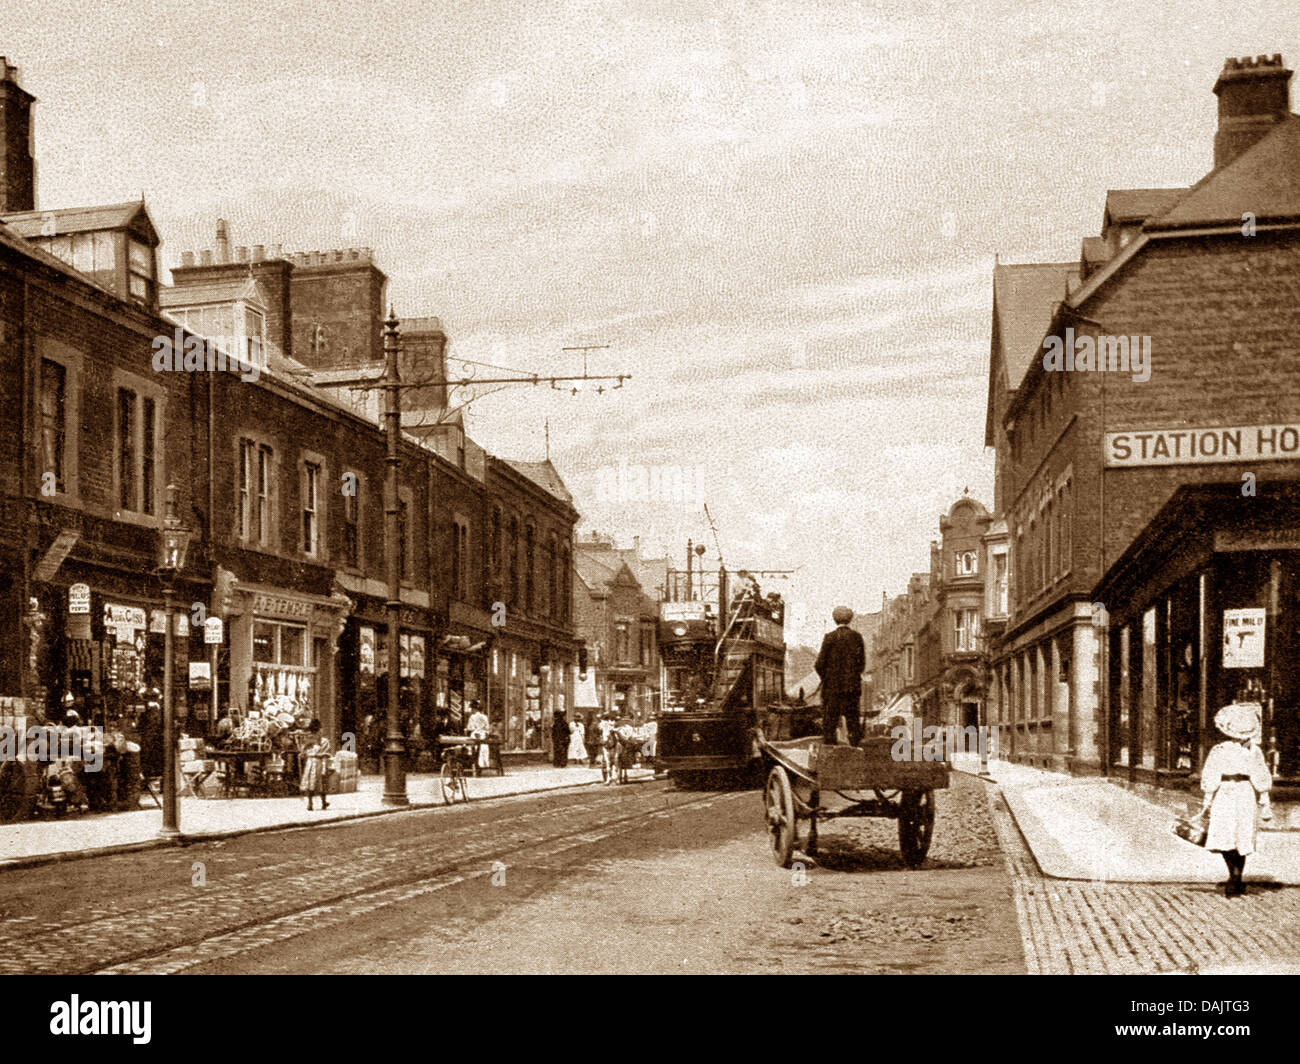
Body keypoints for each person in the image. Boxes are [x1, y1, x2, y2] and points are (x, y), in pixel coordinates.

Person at [1200, 702, 1272, 896]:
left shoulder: (1248, 750)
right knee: (1231, 834)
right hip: (1234, 792)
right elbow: (1212, 774)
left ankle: (1235, 876)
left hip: (1236, 792)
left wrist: (1265, 802)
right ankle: (1235, 875)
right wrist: (1208, 799)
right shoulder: (1227, 750)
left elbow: (1259, 775)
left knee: (1235, 834)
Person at [814, 606, 866, 746]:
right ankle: (856, 752)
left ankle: (830, 755)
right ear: (850, 619)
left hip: (832, 690)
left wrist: (827, 678)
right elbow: (861, 664)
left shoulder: (829, 637)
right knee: (853, 724)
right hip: (852, 690)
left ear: (834, 619)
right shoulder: (857, 637)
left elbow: (819, 664)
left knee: (830, 726)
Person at [299, 719, 333, 811]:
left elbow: (302, 753)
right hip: (319, 761)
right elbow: (325, 753)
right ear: (319, 729)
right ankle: (323, 802)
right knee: (321, 782)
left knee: (310, 782)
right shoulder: (324, 741)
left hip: (310, 761)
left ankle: (310, 803)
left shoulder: (307, 740)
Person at [467, 702, 491, 772]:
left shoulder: (472, 717)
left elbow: (470, 727)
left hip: (475, 735)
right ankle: (483, 764)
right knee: (483, 749)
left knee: (473, 749)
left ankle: (474, 764)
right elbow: (487, 728)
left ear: (473, 709)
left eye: (471, 709)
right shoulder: (484, 717)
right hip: (483, 736)